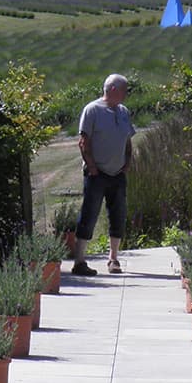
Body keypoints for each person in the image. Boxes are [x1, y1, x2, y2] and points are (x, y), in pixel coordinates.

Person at [70, 73, 136, 275]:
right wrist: (92, 167)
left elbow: (127, 139)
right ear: (113, 90)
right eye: (125, 90)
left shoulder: (123, 111)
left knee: (118, 215)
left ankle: (113, 259)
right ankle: (79, 261)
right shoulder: (92, 110)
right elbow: (83, 141)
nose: (126, 94)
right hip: (97, 174)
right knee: (89, 215)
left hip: (118, 174)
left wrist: (127, 161)